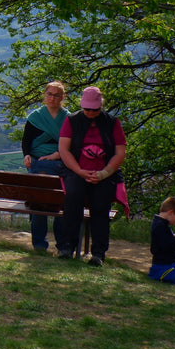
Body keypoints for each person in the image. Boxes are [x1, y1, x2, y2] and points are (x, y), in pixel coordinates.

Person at [58, 86, 126, 266]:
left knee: (101, 207)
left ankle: (98, 253)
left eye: (93, 109)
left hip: (104, 173)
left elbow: (120, 152)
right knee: (72, 201)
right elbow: (64, 150)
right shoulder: (71, 121)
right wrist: (79, 171)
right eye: (86, 109)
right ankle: (66, 247)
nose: (89, 112)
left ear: (100, 107)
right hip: (76, 170)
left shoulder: (112, 123)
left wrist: (104, 173)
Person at [21, 81, 71, 253]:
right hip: (38, 161)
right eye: (49, 94)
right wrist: (26, 154)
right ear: (44, 95)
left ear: (63, 97)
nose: (52, 98)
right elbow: (26, 141)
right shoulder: (35, 117)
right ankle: (56, 245)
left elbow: (72, 143)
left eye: (56, 95)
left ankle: (48, 244)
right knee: (48, 201)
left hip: (58, 161)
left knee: (49, 200)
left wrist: (57, 154)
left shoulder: (68, 118)